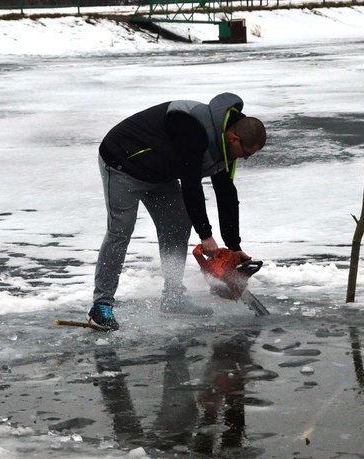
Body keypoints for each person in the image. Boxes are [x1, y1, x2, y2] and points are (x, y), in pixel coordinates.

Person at [88, 92, 266, 330]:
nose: (244, 159)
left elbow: (225, 193)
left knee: (177, 225)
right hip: (122, 163)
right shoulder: (192, 127)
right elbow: (191, 184)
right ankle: (101, 305)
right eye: (246, 154)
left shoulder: (224, 147)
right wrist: (206, 235)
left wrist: (233, 247)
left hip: (160, 174)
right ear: (234, 139)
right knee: (120, 232)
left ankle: (173, 298)